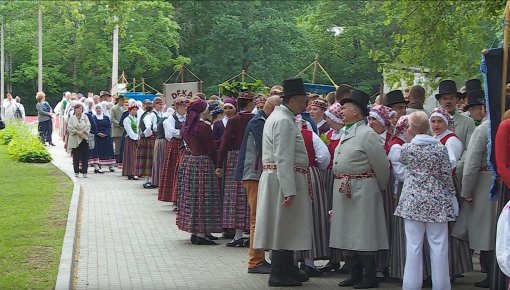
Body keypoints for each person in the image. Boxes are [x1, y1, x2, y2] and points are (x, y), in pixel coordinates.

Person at [253, 77, 312, 287]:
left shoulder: (282, 117)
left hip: (280, 178)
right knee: (282, 226)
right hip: (282, 180)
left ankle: (287, 268)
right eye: (304, 99)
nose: (307, 104)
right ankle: (278, 273)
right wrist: (289, 189)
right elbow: (283, 157)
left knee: (287, 226)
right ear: (293, 100)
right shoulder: (283, 121)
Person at [330, 89, 389, 289]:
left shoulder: (367, 134)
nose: (341, 111)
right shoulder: (346, 132)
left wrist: (377, 188)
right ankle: (354, 273)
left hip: (362, 189)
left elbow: (382, 166)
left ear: (356, 111)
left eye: (345, 108)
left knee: (363, 233)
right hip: (344, 189)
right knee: (347, 231)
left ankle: (369, 276)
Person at [394, 111, 456, 290]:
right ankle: (442, 286)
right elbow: (446, 176)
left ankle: (410, 286)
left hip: (412, 202)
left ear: (411, 128)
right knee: (439, 247)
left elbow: (402, 162)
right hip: (436, 202)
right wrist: (451, 195)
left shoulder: (406, 149)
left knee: (413, 247)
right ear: (428, 126)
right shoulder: (439, 148)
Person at [235, 95, 281, 274]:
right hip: (254, 175)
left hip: (254, 174)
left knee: (259, 218)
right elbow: (267, 149)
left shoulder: (260, 120)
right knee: (257, 219)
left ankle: (259, 258)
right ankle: (255, 261)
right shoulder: (259, 123)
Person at [430, 107, 472, 278]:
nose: (436, 125)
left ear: (446, 122)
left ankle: (453, 267)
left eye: (439, 121)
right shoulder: (434, 138)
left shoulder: (451, 140)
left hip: (447, 185)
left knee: (450, 228)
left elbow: (450, 164)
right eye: (433, 121)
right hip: (435, 185)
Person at [176, 98, 222, 245]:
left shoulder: (186, 125)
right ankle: (201, 233)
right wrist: (218, 162)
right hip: (203, 162)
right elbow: (209, 148)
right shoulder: (203, 127)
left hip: (190, 161)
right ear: (203, 111)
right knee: (204, 197)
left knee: (193, 197)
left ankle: (196, 232)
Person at [216, 91, 256, 247]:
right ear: (250, 104)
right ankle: (250, 234)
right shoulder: (256, 119)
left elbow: (224, 143)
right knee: (250, 195)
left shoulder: (233, 120)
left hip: (234, 159)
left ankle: (238, 235)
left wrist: (219, 164)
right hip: (252, 158)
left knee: (234, 197)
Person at [295, 113, 331, 277]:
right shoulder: (311, 136)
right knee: (313, 216)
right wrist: (315, 168)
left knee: (293, 219)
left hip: (290, 176)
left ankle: (292, 261)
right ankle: (309, 262)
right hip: (311, 175)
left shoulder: (283, 135)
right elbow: (324, 158)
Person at [387, 115, 411, 280]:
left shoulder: (405, 145)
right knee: (404, 232)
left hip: (410, 189)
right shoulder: (397, 146)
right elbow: (401, 174)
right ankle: (402, 269)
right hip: (403, 190)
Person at [158, 97, 188, 205]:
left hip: (186, 146)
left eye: (185, 106)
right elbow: (172, 133)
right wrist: (183, 132)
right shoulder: (170, 119)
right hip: (175, 146)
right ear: (177, 107)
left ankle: (182, 198)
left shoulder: (188, 118)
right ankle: (174, 199)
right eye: (182, 106)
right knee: (173, 171)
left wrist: (182, 133)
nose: (185, 108)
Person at [136, 100, 158, 188]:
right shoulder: (149, 115)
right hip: (148, 140)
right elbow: (149, 127)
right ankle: (147, 181)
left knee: (148, 161)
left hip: (146, 139)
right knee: (149, 161)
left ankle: (149, 181)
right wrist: (149, 134)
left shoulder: (145, 114)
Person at [67, 103, 91, 178]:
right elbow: (69, 127)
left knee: (85, 156)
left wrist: (83, 132)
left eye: (80, 109)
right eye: (77, 109)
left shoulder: (85, 116)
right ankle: (76, 171)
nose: (78, 110)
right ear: (74, 110)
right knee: (76, 156)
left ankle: (85, 172)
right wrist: (77, 132)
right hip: (75, 139)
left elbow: (88, 125)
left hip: (84, 138)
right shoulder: (72, 118)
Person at [92, 104, 115, 172]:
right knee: (98, 151)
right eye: (97, 108)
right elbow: (92, 127)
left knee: (108, 150)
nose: (98, 110)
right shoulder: (93, 118)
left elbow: (109, 126)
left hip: (106, 136)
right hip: (97, 137)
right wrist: (98, 133)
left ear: (102, 109)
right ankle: (98, 165)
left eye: (99, 108)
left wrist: (106, 133)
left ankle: (110, 166)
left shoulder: (106, 117)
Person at [122, 104, 139, 180]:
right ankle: (130, 172)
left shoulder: (136, 119)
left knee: (135, 156)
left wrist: (138, 136)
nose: (135, 111)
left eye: (136, 110)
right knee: (131, 156)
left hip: (136, 138)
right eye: (133, 110)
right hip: (130, 139)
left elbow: (138, 129)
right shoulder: (126, 119)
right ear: (130, 110)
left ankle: (135, 172)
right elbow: (129, 130)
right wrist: (135, 137)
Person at [110, 95, 125, 165]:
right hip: (117, 130)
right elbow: (112, 118)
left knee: (123, 146)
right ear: (118, 100)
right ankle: (116, 160)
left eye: (123, 100)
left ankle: (122, 159)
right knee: (117, 147)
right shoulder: (114, 108)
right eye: (121, 100)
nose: (123, 101)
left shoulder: (126, 108)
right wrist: (119, 124)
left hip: (125, 130)